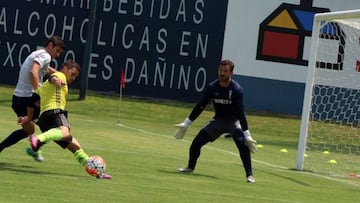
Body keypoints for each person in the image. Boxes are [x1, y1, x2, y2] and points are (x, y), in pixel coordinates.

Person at [174, 59, 258, 183]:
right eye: (220, 70)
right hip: (218, 120)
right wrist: (187, 123)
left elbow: (241, 113)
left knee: (241, 144)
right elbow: (200, 106)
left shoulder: (236, 89)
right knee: (196, 143)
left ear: (231, 74)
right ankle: (190, 167)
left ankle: (249, 175)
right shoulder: (212, 87)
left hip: (233, 122)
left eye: (225, 71)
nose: (222, 73)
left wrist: (247, 135)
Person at [28, 60, 112, 179]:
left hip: (44, 120)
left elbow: (33, 99)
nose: (73, 78)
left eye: (76, 76)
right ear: (65, 68)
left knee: (75, 147)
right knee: (64, 132)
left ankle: (98, 172)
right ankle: (37, 139)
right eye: (72, 74)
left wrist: (29, 118)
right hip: (55, 113)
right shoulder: (60, 76)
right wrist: (56, 80)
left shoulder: (44, 87)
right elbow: (54, 77)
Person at [0, 36, 65, 161]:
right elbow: (33, 71)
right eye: (57, 51)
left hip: (18, 99)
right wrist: (39, 93)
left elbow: (44, 69)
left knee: (29, 130)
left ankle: (31, 149)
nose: (57, 55)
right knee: (53, 128)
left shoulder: (38, 53)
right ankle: (36, 148)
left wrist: (58, 74)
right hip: (28, 99)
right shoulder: (45, 55)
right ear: (50, 45)